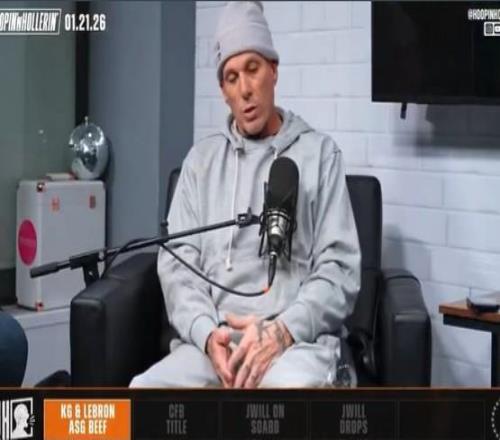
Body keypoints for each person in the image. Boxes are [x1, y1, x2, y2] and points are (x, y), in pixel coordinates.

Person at [130, 1, 361, 388]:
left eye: (253, 69)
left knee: (282, 396)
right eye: (232, 77)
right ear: (223, 90)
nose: (245, 89)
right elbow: (178, 267)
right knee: (144, 392)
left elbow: (340, 271)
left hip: (294, 344)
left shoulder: (320, 155)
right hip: (216, 347)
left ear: (273, 69)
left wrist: (282, 331)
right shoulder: (200, 163)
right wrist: (207, 335)